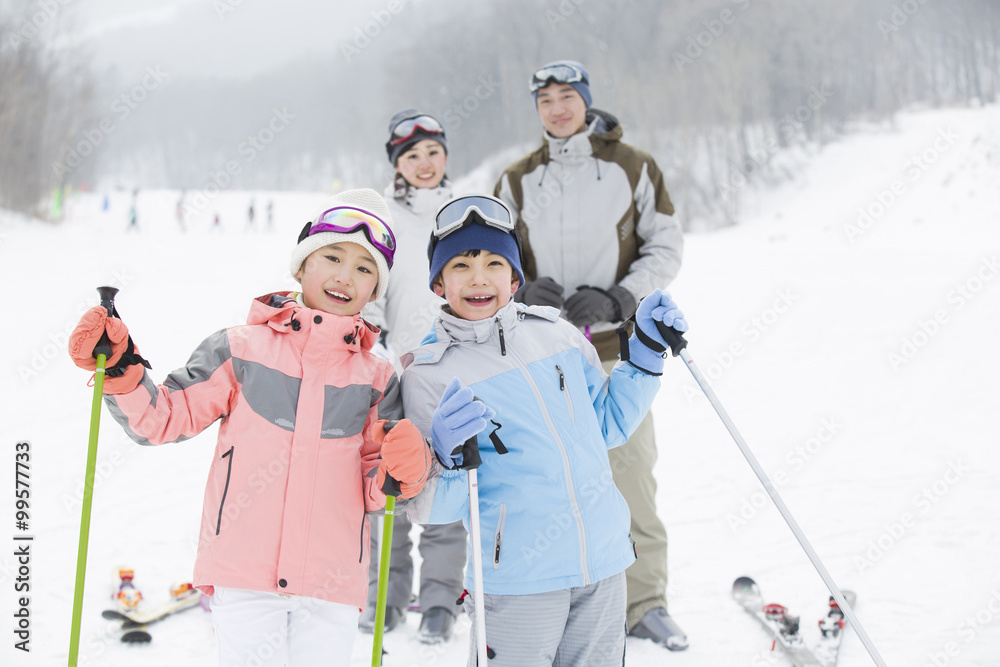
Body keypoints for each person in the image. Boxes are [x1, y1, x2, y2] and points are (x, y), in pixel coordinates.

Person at [67, 188, 434, 667]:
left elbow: (377, 490)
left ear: (374, 291)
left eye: (365, 269)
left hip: (332, 581)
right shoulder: (239, 350)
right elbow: (162, 419)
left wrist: (404, 472)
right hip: (244, 570)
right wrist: (120, 370)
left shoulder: (378, 379)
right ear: (302, 265)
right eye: (333, 257)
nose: (346, 276)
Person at [400, 194, 688, 666]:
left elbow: (608, 426)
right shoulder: (428, 374)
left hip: (602, 563)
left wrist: (644, 359)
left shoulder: (558, 335)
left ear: (515, 278)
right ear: (438, 282)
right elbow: (433, 508)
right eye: (460, 266)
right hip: (518, 582)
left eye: (495, 263)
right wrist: (447, 457)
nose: (478, 278)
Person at [494, 59, 688, 650]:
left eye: (566, 96)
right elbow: (494, 254)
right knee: (544, 477)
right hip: (538, 353)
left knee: (629, 470)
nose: (557, 108)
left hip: (614, 348)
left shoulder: (633, 166)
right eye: (545, 99)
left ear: (585, 101)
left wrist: (621, 295)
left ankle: (646, 601)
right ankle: (551, 600)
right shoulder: (517, 178)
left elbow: (666, 242)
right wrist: (522, 289)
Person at [358, 110, 467, 644]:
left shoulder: (464, 210)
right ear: (397, 164)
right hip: (397, 371)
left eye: (432, 152)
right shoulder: (382, 218)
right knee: (390, 479)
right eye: (411, 156)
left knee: (449, 478)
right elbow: (371, 289)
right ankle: (388, 592)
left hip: (456, 372)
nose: (424, 164)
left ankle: (442, 597)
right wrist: (367, 332)